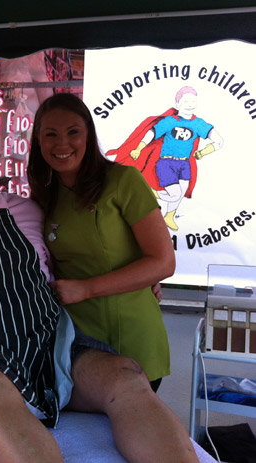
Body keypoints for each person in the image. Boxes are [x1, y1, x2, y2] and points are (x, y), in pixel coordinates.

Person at [0, 121, 197, 463]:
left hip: (50, 345)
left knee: (127, 374)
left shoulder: (28, 211)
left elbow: (74, 258)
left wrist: (143, 274)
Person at [27, 93, 176, 390]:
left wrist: (86, 288)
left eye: (73, 132)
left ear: (89, 135)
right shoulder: (44, 196)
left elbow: (163, 262)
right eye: (51, 134)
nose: (62, 144)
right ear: (38, 142)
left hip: (131, 337)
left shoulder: (123, 180)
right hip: (77, 344)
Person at [106, 86, 223, 230]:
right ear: (177, 104)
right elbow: (152, 133)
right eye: (186, 101)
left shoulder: (199, 124)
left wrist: (203, 152)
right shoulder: (169, 121)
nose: (190, 104)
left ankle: (169, 216)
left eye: (193, 101)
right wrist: (139, 148)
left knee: (181, 193)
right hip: (166, 163)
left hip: (184, 164)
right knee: (175, 195)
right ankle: (151, 192)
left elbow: (219, 141)